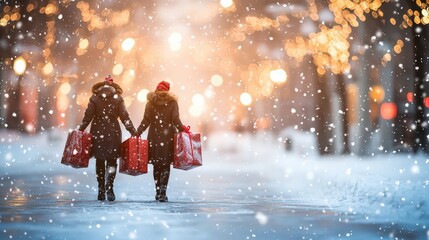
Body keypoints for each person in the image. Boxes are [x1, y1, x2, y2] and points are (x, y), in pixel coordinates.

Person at [78, 75, 136, 201]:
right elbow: (124, 117)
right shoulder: (118, 98)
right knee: (111, 161)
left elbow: (88, 116)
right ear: (113, 86)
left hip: (97, 131)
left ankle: (101, 190)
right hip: (113, 132)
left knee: (99, 160)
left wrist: (81, 129)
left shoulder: (94, 98)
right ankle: (109, 187)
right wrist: (133, 131)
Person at [134, 81, 189, 202]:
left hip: (154, 137)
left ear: (157, 89)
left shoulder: (150, 103)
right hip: (168, 137)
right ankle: (163, 192)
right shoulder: (172, 102)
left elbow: (146, 121)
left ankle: (158, 191)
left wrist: (138, 132)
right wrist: (183, 130)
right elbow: (175, 120)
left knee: (156, 165)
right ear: (167, 91)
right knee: (165, 165)